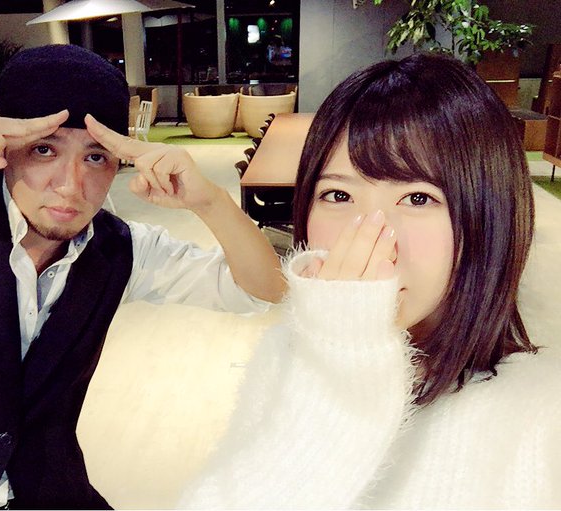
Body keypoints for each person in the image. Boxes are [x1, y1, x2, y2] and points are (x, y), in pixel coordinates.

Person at [0, 44, 284, 509]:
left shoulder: (121, 249)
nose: (71, 186)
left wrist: (210, 200)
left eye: (96, 157)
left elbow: (264, 289)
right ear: (4, 145)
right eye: (44, 149)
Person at [177, 52, 561, 508]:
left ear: (491, 217)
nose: (369, 237)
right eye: (338, 195)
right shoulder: (285, 356)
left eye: (418, 198)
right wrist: (336, 366)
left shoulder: (541, 413)